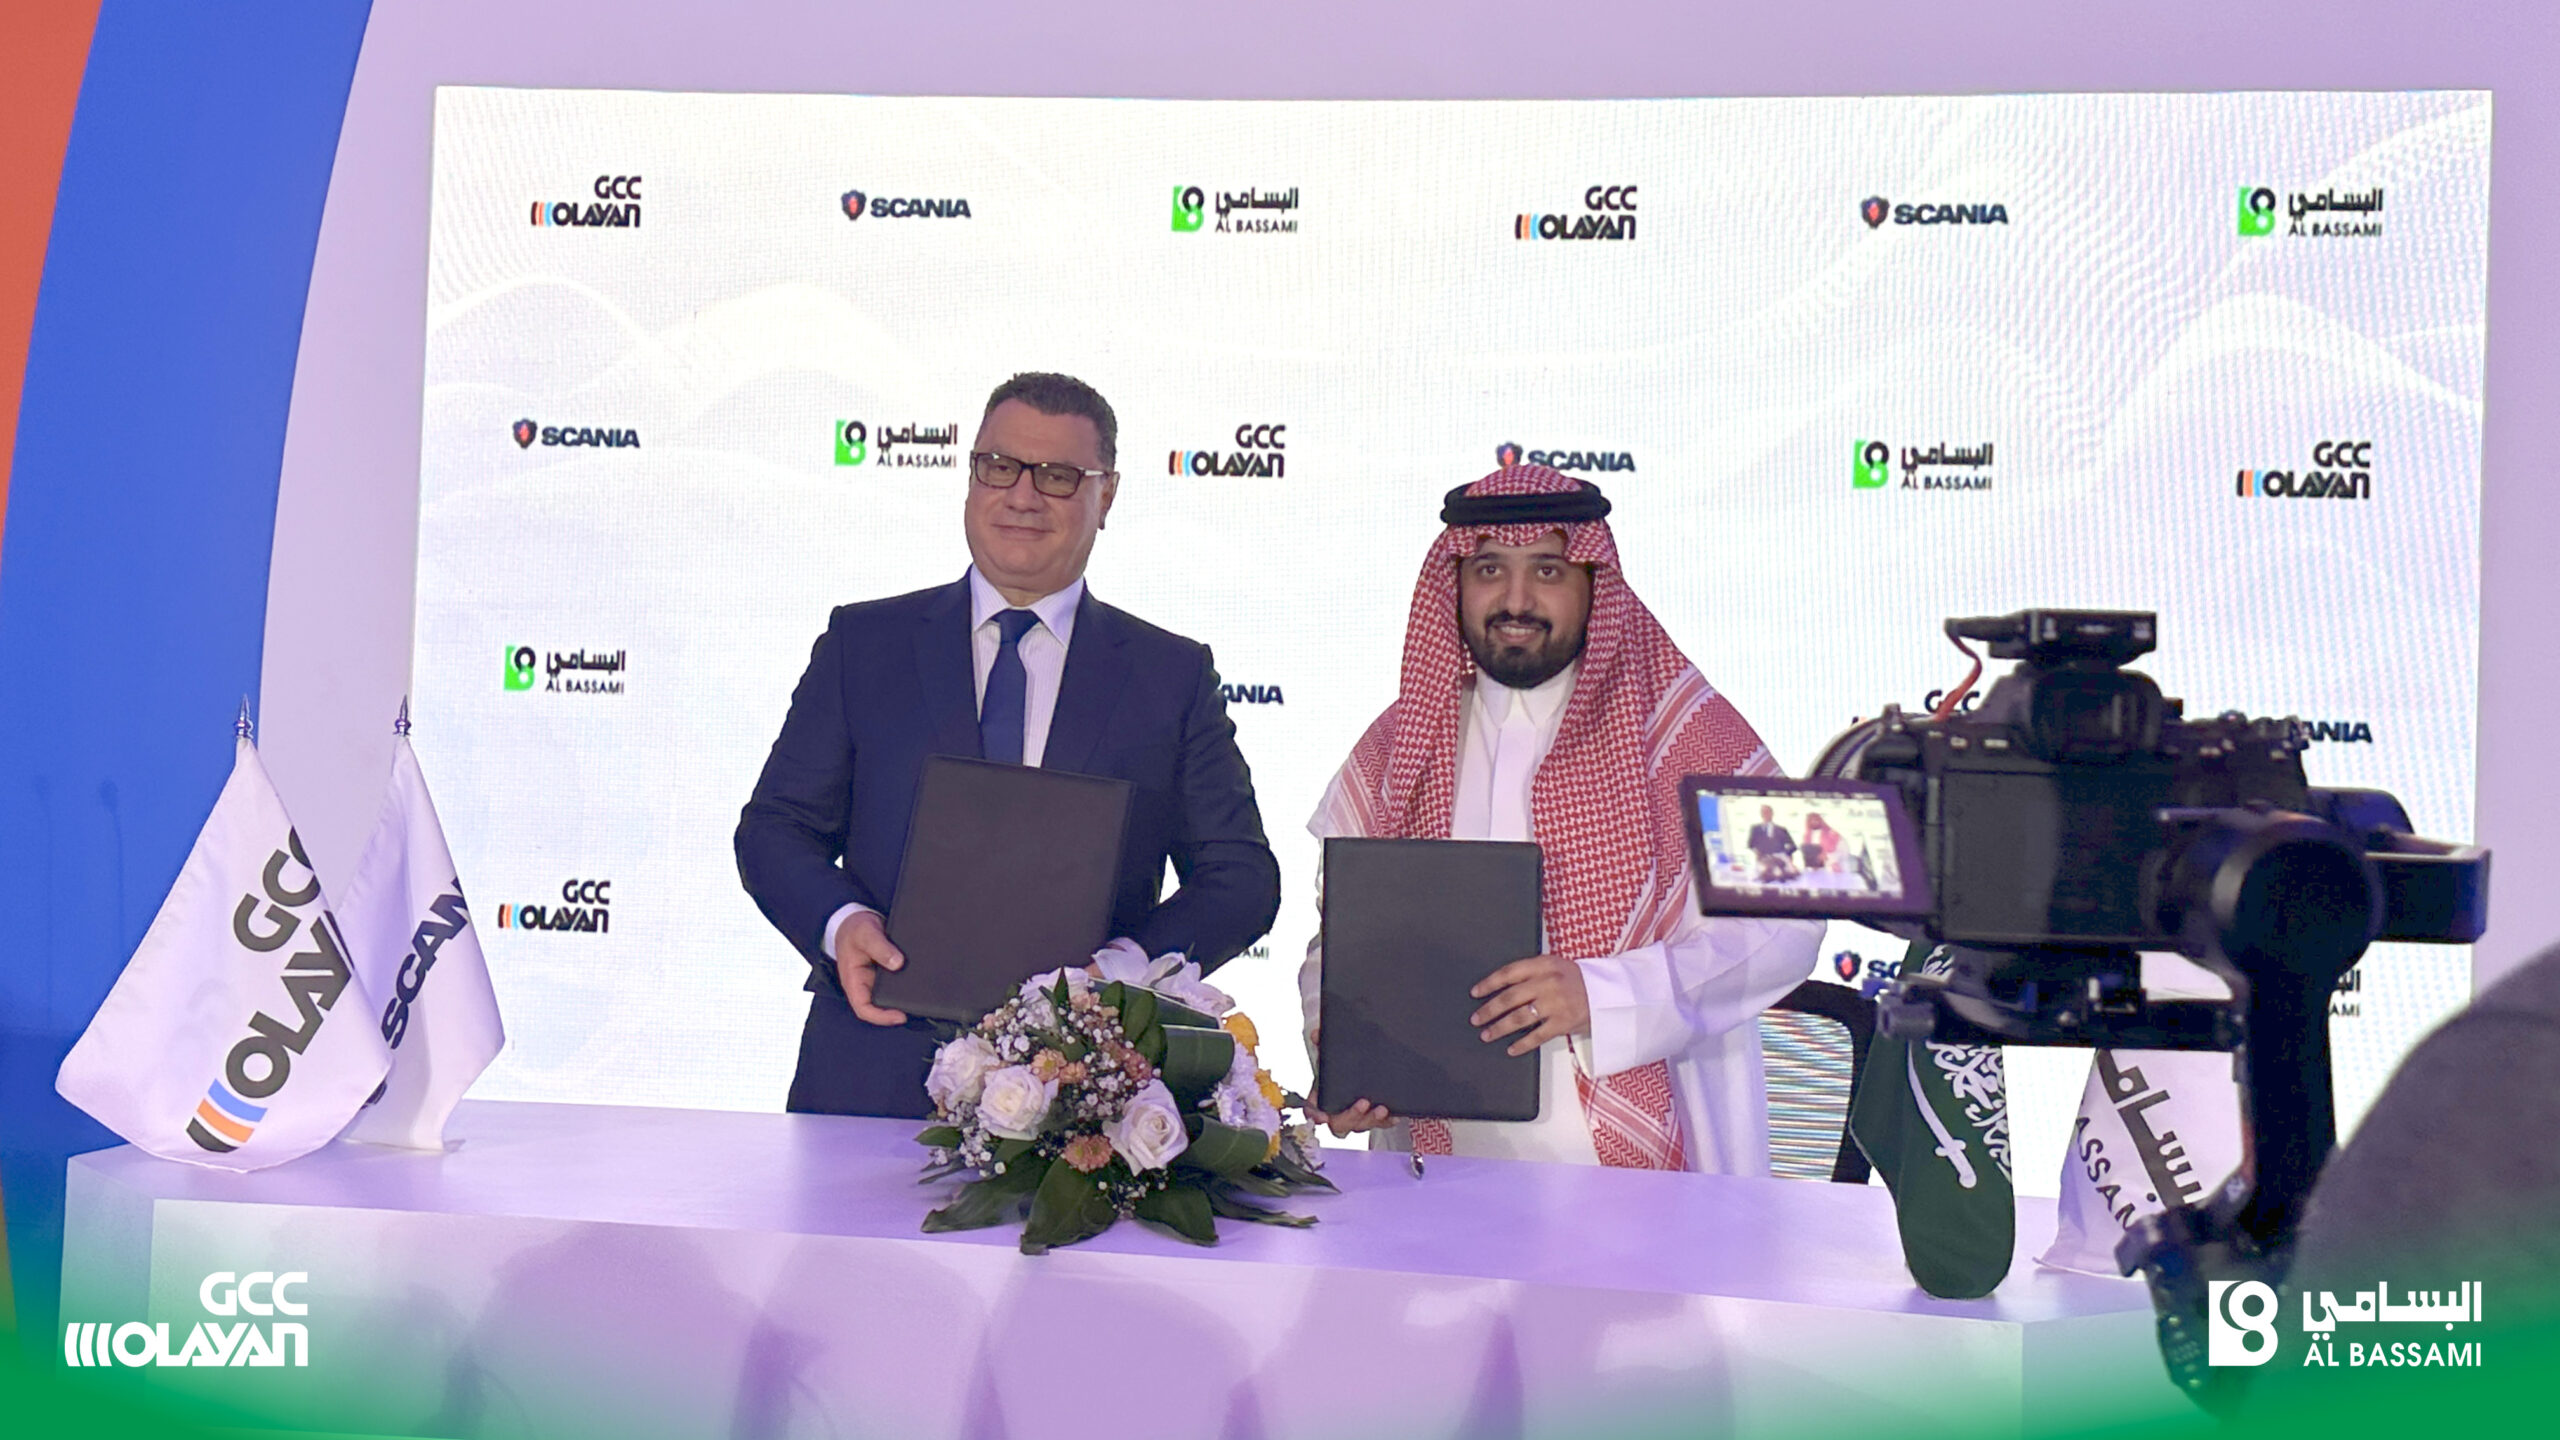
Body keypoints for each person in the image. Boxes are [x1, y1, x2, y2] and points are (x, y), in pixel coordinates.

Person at [736, 372, 1282, 1119]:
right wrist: (842, 926)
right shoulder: (865, 645)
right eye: (999, 467)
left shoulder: (1169, 676)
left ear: (1106, 497)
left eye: (1058, 476)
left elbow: (1241, 877)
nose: (1023, 496)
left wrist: (1123, 974)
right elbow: (774, 830)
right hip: (868, 1075)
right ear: (971, 477)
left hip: (1085, 1106)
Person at [1299, 466, 1821, 1172]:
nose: (1516, 600)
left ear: (1593, 583)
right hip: (1439, 1171)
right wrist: (1343, 1054)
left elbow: (1789, 923)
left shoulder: (1689, 730)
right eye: (1489, 570)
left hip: (1648, 1180)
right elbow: (1341, 939)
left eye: (1547, 570)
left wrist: (1604, 995)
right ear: (1455, 584)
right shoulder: (1399, 744)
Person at [1748, 805, 1798, 881]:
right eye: (1763, 812)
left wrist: (1785, 855)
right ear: (1761, 814)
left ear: (1772, 813)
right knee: (1756, 877)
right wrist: (1757, 853)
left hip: (1780, 857)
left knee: (1792, 874)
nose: (1766, 814)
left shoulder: (1781, 829)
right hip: (1763, 858)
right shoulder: (1755, 829)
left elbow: (1793, 846)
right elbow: (1750, 845)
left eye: (1768, 812)